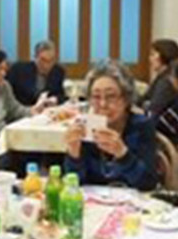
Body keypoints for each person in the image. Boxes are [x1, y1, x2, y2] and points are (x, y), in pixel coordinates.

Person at [64, 60, 158, 191]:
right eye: (96, 97)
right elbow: (74, 184)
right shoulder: (87, 127)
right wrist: (74, 154)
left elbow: (148, 184)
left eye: (111, 96)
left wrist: (122, 154)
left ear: (126, 98)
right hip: (93, 201)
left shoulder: (141, 126)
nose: (103, 104)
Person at [6, 40, 67, 106]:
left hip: (47, 109)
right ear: (35, 57)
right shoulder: (18, 70)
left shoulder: (58, 72)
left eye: (51, 60)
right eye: (43, 60)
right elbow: (6, 93)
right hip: (23, 108)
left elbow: (63, 95)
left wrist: (56, 99)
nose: (46, 65)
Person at [139, 39, 178, 117]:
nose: (149, 59)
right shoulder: (162, 76)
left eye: (152, 54)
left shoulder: (166, 81)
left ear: (165, 55)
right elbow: (143, 99)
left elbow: (153, 111)